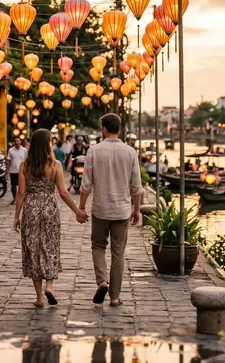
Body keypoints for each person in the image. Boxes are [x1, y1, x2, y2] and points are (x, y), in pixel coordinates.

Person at [13, 129, 86, 308]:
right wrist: (77, 211)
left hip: (31, 209)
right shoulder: (55, 165)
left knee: (33, 249)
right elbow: (63, 192)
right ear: (48, 144)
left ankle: (39, 298)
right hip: (50, 209)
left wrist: (17, 215)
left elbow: (21, 192)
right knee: (50, 246)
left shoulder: (24, 165)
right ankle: (50, 287)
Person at [79, 114, 142, 307]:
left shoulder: (94, 151)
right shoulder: (130, 152)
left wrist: (81, 207)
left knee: (98, 246)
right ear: (119, 129)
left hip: (100, 209)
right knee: (118, 253)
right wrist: (136, 210)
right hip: (122, 211)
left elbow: (86, 185)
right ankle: (114, 297)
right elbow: (136, 186)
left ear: (104, 129)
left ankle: (102, 281)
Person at [7, 138, 28, 205]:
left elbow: (27, 160)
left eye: (18, 141)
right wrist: (7, 170)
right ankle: (15, 199)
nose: (17, 142)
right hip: (13, 170)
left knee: (22, 185)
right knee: (13, 185)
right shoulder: (10, 150)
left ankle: (23, 198)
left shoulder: (24, 150)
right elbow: (8, 160)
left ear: (20, 142)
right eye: (15, 141)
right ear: (14, 142)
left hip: (22, 170)